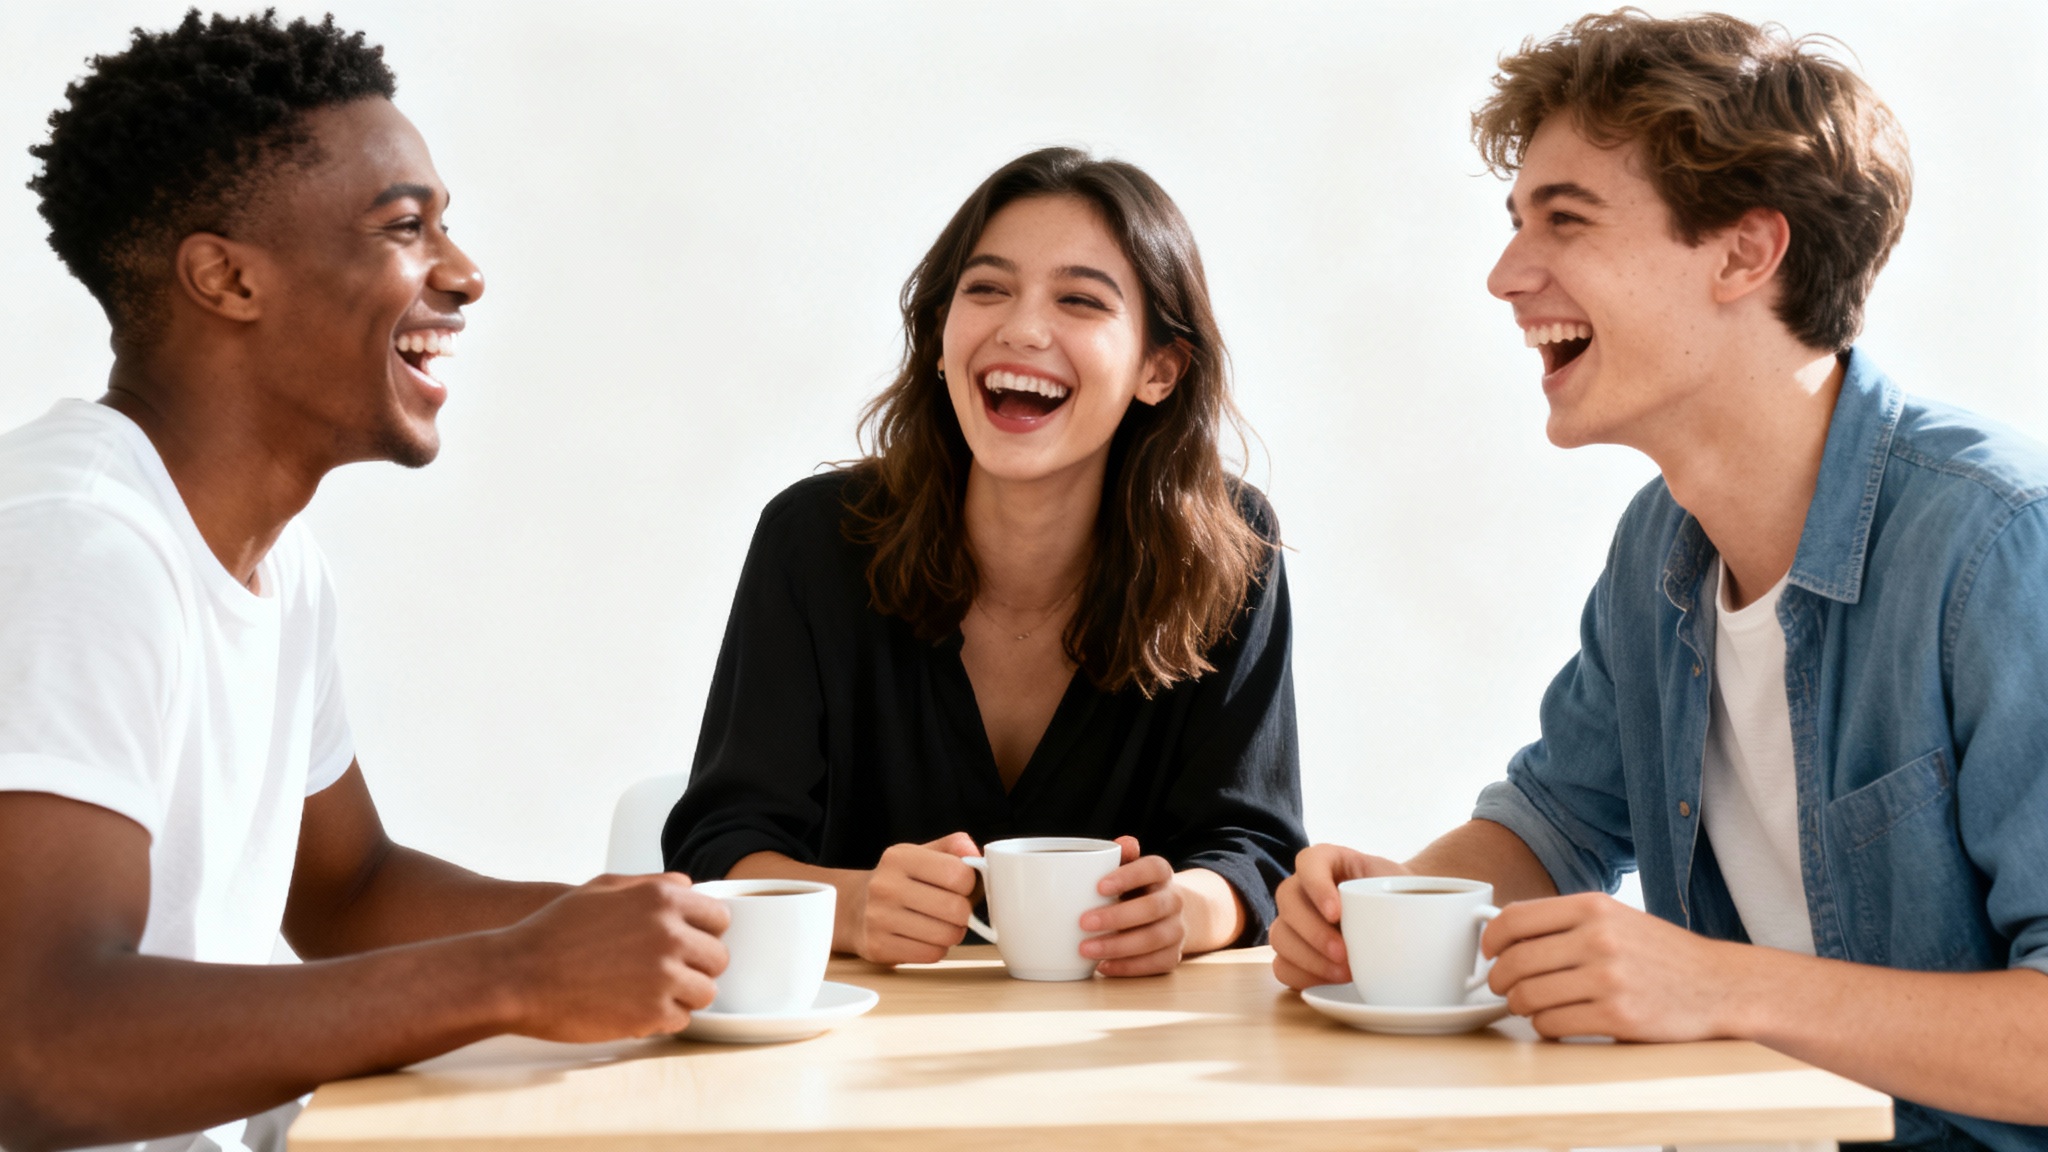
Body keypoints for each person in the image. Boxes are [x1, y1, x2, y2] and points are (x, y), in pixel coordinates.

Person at [1270, 11, 2048, 1148]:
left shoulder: (1995, 549)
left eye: (1564, 221)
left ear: (1744, 252)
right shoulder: (1662, 549)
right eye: (1513, 223)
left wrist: (1719, 987)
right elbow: (1551, 829)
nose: (1502, 275)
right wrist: (1383, 914)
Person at [0, 14, 729, 1152]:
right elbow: (37, 1049)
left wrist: (694, 934)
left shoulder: (276, 562)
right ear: (227, 277)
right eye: (406, 227)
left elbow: (349, 893)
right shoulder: (77, 549)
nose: (466, 272)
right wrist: (514, 971)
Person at [663, 148, 1305, 976]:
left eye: (1079, 300)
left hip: (1130, 1053)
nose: (1022, 328)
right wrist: (855, 908)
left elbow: (1255, 847)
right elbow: (721, 849)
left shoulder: (1230, 548)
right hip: (844, 1057)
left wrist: (1184, 911)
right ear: (940, 334)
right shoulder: (813, 539)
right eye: (987, 289)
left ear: (1159, 368)